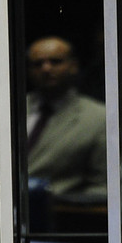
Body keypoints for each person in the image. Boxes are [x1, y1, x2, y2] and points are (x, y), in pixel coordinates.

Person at [26, 35, 107, 201]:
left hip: (62, 212)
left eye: (55, 62)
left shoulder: (98, 118)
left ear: (73, 66)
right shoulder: (11, 109)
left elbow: (102, 184)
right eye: (37, 64)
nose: (46, 69)